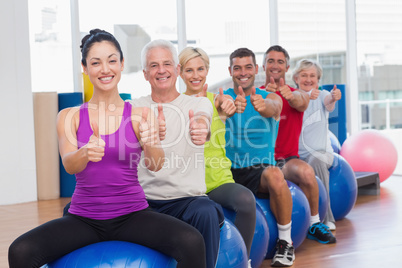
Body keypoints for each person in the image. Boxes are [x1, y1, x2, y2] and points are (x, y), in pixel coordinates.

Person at [8, 29, 206, 268]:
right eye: (96, 62)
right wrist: (85, 152)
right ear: (84, 67)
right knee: (20, 251)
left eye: (112, 61)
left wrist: (151, 142)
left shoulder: (140, 115)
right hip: (84, 218)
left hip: (132, 215)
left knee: (192, 241)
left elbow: (156, 165)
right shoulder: (69, 116)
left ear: (122, 64)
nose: (105, 69)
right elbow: (69, 164)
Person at [132, 39, 224, 268]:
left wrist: (201, 128)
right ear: (145, 74)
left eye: (166, 64)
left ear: (177, 70)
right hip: (146, 202)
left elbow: (202, 121)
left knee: (207, 212)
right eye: (153, 65)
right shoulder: (133, 107)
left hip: (186, 201)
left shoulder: (199, 103)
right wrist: (149, 133)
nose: (161, 70)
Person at [178, 47, 256, 267]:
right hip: (188, 187)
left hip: (217, 182)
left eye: (200, 69)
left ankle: (243, 260)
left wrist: (229, 106)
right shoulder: (175, 105)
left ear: (207, 70)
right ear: (180, 72)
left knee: (246, 200)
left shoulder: (218, 100)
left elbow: (228, 107)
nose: (195, 75)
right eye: (189, 70)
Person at [224, 47, 295, 267]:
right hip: (227, 171)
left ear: (256, 69)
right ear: (230, 70)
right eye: (237, 68)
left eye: (248, 67)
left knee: (275, 174)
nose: (243, 72)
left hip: (259, 170)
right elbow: (213, 110)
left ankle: (285, 241)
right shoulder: (224, 98)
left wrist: (263, 106)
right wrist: (223, 108)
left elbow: (274, 107)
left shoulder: (269, 97)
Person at [261, 45, 336, 244]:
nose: (275, 65)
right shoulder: (257, 94)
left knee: (307, 172)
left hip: (288, 160)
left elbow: (300, 102)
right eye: (271, 61)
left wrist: (289, 95)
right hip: (262, 163)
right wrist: (267, 98)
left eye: (280, 62)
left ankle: (314, 223)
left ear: (287, 68)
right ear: (263, 66)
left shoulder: (299, 94)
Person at [293, 59, 342, 231]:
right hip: (298, 157)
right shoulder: (293, 98)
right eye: (304, 75)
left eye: (312, 76)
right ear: (296, 78)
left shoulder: (322, 95)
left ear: (318, 79)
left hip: (321, 153)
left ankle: (327, 218)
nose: (308, 79)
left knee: (316, 161)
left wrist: (334, 97)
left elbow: (329, 103)